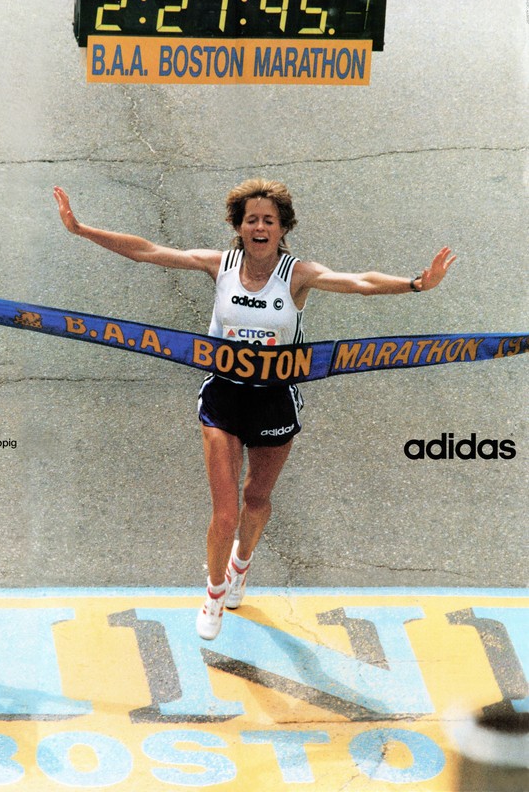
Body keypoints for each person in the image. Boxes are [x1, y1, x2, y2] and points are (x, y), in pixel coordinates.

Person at [53, 179, 456, 640]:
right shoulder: (219, 265)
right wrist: (80, 228)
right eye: (251, 220)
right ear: (238, 227)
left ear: (283, 228)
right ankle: (214, 591)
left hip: (274, 400)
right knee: (224, 512)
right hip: (224, 397)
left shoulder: (298, 274)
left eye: (269, 220)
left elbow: (360, 282)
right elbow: (148, 251)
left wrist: (418, 284)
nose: (259, 227)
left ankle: (241, 564)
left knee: (256, 500)